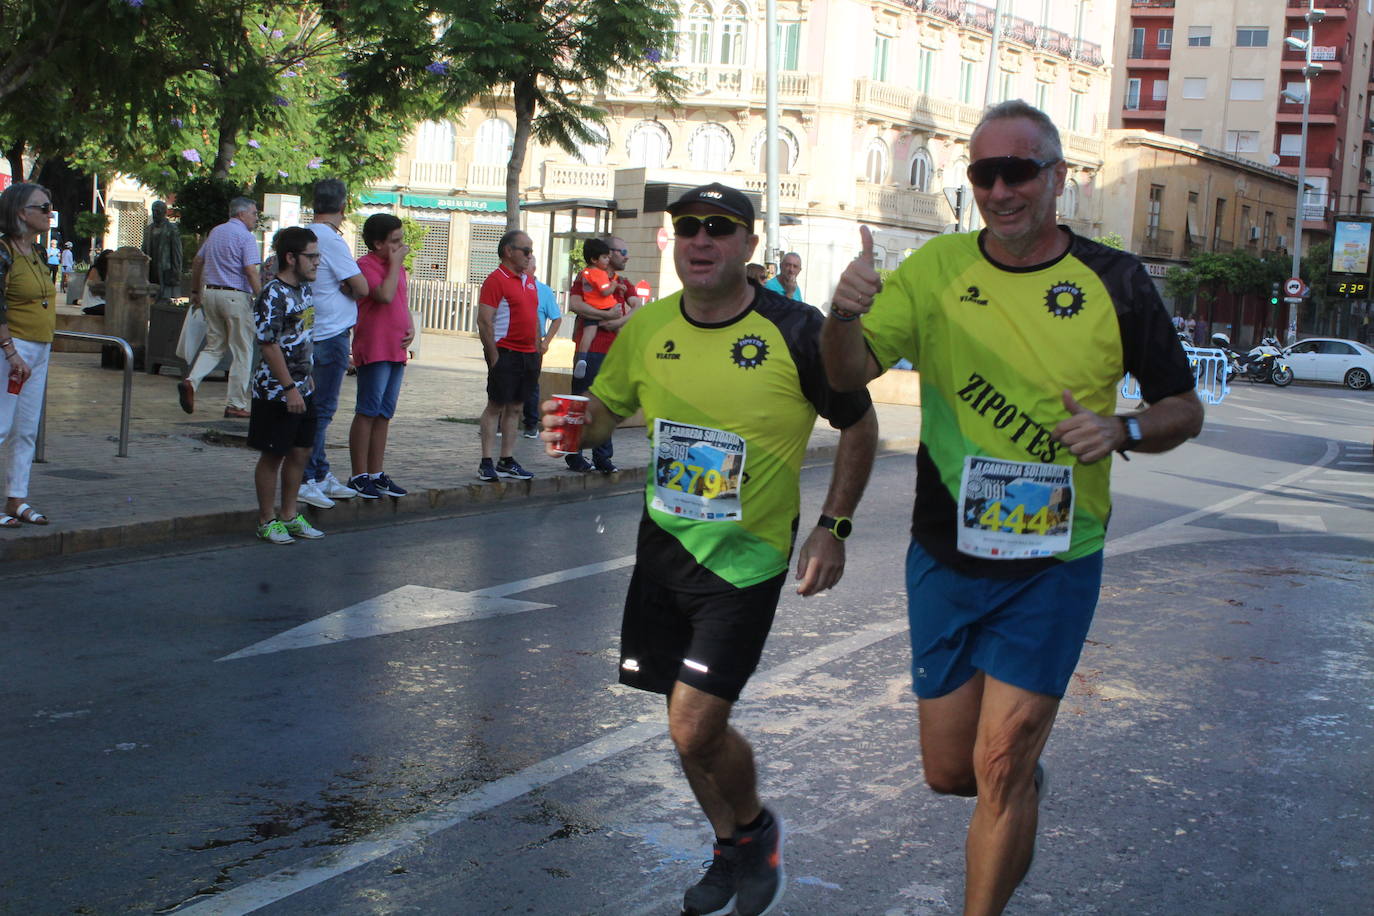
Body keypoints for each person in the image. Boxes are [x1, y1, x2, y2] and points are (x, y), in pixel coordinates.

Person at [821, 100, 1204, 916]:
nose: (1000, 190)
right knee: (952, 772)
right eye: (984, 173)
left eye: (1018, 170)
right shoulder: (934, 271)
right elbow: (849, 374)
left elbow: (1184, 408)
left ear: (1058, 177)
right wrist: (843, 313)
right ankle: (1021, 779)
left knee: (998, 763)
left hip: (1054, 562)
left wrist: (1124, 427)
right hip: (946, 552)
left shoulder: (1115, 281)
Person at [541, 182, 878, 916]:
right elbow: (607, 412)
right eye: (689, 226)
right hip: (663, 549)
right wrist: (576, 426)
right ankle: (733, 844)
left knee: (695, 725)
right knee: (684, 725)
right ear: (673, 240)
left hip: (747, 560)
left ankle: (753, 829)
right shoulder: (648, 327)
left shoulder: (796, 330)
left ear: (748, 246)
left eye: (720, 228)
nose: (702, 239)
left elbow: (858, 423)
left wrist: (834, 525)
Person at [249, 227, 325, 545]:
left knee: (301, 450)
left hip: (303, 386)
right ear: (291, 257)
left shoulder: (305, 291)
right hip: (275, 390)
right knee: (273, 453)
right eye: (312, 256)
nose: (317, 262)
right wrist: (290, 387)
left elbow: (303, 335)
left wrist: (306, 378)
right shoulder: (273, 294)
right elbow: (268, 344)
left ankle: (289, 514)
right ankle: (266, 518)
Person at [299, 179, 371, 509]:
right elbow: (362, 286)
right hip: (330, 333)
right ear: (343, 207)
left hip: (313, 331)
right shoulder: (332, 240)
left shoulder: (306, 234)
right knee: (322, 410)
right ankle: (308, 477)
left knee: (318, 409)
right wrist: (351, 289)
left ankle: (319, 471)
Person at [0, 183, 59, 529]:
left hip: (39, 348)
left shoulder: (34, 252)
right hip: (14, 349)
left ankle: (17, 498)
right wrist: (10, 352)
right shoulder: (4, 251)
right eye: (44, 207)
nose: (50, 212)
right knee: (2, 425)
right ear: (23, 213)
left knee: (26, 429)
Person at [346, 213, 414, 500]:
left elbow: (400, 300)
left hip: (395, 347)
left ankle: (376, 472)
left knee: (385, 413)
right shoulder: (366, 265)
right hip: (374, 346)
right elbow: (383, 295)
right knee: (368, 410)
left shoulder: (397, 268)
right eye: (394, 241)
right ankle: (358, 474)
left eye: (401, 240)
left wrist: (409, 326)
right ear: (377, 243)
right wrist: (395, 264)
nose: (400, 247)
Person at [179, 197, 262, 419]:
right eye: (254, 213)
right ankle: (236, 403)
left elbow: (198, 261)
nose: (256, 218)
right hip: (236, 296)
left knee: (215, 346)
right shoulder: (246, 237)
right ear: (241, 214)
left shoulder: (216, 232)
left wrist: (195, 291)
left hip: (211, 294)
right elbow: (250, 270)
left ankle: (191, 381)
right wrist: (262, 297)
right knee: (242, 350)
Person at [563, 233, 638, 473]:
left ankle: (603, 457)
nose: (626, 257)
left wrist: (619, 322)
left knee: (608, 403)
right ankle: (573, 455)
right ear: (608, 254)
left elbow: (638, 307)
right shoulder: (585, 277)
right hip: (590, 349)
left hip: (613, 350)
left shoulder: (622, 281)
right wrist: (606, 316)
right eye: (622, 252)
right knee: (580, 402)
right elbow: (575, 304)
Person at [475, 229, 539, 482]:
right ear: (508, 251)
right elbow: (484, 321)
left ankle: (507, 459)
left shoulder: (529, 280)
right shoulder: (496, 280)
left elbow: (533, 317)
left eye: (531, 251)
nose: (529, 256)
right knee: (495, 406)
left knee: (516, 408)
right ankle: (486, 461)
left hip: (528, 354)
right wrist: (494, 356)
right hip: (506, 352)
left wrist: (537, 346)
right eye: (526, 250)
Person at [521, 254, 561, 439]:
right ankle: (498, 423)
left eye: (525, 266)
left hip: (534, 345)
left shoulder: (544, 291)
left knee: (531, 384)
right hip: (511, 342)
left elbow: (556, 318)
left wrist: (546, 343)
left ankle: (531, 424)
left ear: (533, 269)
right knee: (506, 381)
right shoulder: (514, 286)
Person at [572, 238, 619, 379]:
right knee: (620, 329)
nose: (607, 261)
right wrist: (614, 286)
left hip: (590, 307)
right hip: (605, 307)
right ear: (594, 259)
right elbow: (605, 292)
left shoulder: (584, 273)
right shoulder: (599, 273)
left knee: (588, 335)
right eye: (605, 257)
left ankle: (582, 358)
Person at [142, 199, 183, 301]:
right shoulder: (148, 230)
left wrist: (176, 273)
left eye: (158, 211)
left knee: (164, 300)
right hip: (150, 270)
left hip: (166, 270)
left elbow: (177, 253)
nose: (155, 214)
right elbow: (143, 251)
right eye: (154, 211)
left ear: (164, 212)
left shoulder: (172, 229)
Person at [79, 249, 109, 315]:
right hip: (92, 305)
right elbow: (94, 290)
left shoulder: (106, 272)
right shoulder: (95, 270)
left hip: (100, 303)